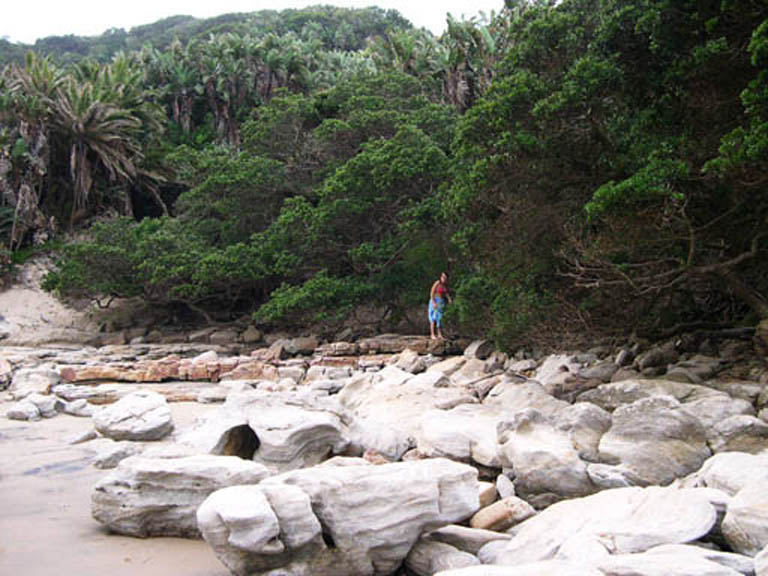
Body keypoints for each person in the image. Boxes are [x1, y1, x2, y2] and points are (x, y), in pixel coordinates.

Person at [428, 272, 452, 340]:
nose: (444, 279)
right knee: (433, 318)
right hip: (435, 300)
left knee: (440, 318)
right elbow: (432, 293)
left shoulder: (445, 285)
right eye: (443, 277)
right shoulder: (437, 283)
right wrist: (434, 302)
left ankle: (439, 334)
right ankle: (432, 334)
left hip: (441, 302)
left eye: (445, 278)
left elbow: (446, 293)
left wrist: (449, 299)